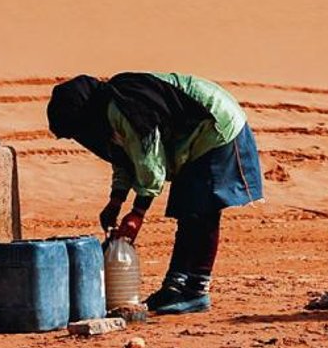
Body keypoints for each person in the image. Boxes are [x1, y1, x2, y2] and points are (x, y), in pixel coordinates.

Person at [46, 72, 264, 315]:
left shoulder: (124, 107)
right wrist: (116, 201)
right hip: (193, 137)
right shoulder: (107, 113)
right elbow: (125, 157)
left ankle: (196, 291)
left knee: (201, 211)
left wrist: (138, 212)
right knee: (189, 212)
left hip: (214, 125)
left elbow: (150, 161)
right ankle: (175, 287)